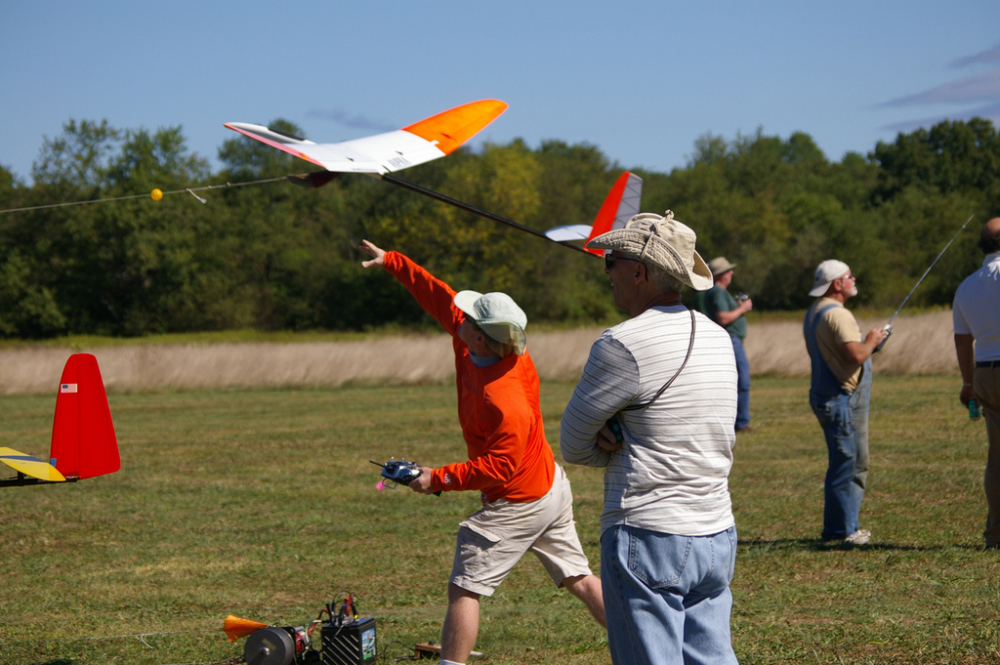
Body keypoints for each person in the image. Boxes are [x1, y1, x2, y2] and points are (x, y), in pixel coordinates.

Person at [358, 240, 605, 665]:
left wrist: (436, 478)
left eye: (470, 318)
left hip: (519, 499)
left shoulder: (505, 397)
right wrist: (393, 262)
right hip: (549, 486)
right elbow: (440, 296)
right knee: (579, 578)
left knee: (464, 588)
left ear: (482, 336)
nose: (462, 318)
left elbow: (499, 467)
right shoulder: (477, 339)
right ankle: (646, 643)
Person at [560, 212, 740, 665]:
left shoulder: (621, 343)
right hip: (716, 532)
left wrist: (615, 439)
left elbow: (573, 442)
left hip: (648, 531)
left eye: (612, 261)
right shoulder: (720, 338)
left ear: (639, 271)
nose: (607, 272)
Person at [803, 260, 888, 545]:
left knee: (845, 461)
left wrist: (869, 343)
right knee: (850, 463)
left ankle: (842, 527)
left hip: (826, 395)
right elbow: (855, 356)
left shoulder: (815, 311)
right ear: (837, 284)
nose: (854, 279)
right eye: (849, 276)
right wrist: (873, 340)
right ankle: (842, 532)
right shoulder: (838, 315)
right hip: (841, 399)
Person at [953, 217, 1000, 549]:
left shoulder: (967, 285)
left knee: (997, 457)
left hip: (984, 372)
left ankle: (995, 535)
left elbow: (961, 340)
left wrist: (968, 383)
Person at [699, 257, 753, 432]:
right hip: (732, 340)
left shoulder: (717, 292)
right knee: (742, 380)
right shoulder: (717, 292)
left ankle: (735, 420)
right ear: (721, 274)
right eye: (729, 270)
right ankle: (741, 423)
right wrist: (743, 308)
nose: (732, 273)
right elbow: (722, 317)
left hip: (732, 340)